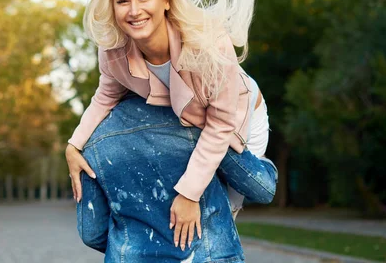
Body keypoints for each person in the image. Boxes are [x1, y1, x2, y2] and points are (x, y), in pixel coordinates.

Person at [66, 0, 277, 249]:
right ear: (112, 8)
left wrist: (190, 193)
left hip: (239, 116)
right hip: (191, 123)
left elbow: (220, 125)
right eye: (123, 1)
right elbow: (105, 97)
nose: (134, 11)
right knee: (197, 229)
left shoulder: (210, 42)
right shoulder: (112, 51)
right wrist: (74, 145)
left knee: (223, 214)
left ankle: (264, 170)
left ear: (165, 0)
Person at [77, 95, 276, 262]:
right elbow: (261, 189)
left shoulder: (92, 138)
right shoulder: (197, 121)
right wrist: (263, 161)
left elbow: (91, 233)